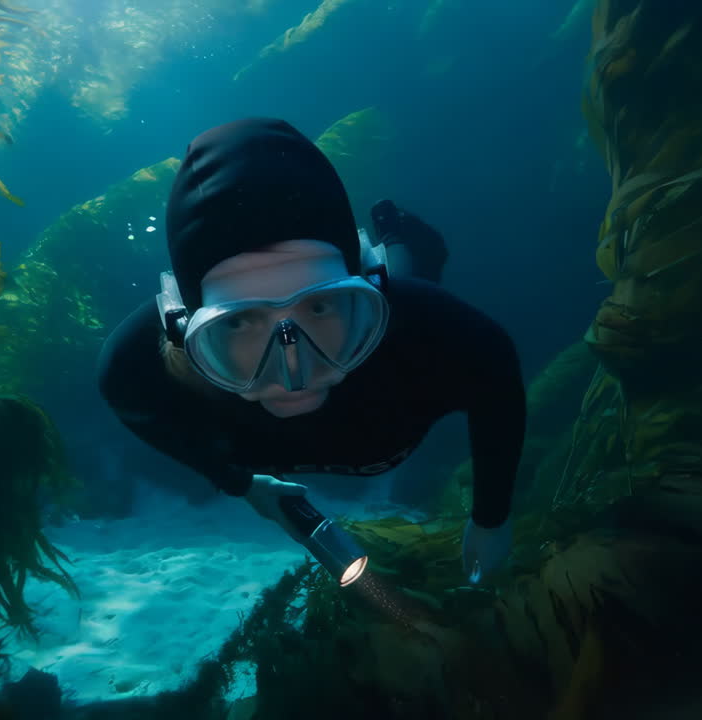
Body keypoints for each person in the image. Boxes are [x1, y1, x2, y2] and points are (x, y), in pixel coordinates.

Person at [97, 117, 526, 582]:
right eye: (238, 320)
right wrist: (241, 484)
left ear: (365, 288)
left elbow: (497, 378)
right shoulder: (136, 364)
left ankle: (395, 234)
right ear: (183, 328)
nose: (293, 370)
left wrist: (490, 517)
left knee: (409, 273)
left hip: (403, 293)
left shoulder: (439, 329)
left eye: (321, 305)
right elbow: (119, 385)